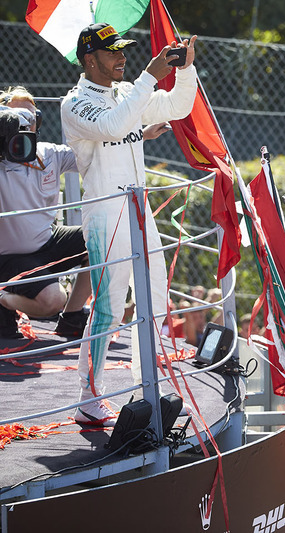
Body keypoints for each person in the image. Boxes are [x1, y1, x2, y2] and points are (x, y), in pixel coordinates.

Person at [60, 23, 198, 425]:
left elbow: (178, 106)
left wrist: (185, 69)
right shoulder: (74, 103)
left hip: (137, 206)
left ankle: (148, 384)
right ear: (90, 60)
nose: (121, 57)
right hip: (104, 210)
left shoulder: (126, 93)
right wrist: (149, 76)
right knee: (109, 304)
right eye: (112, 52)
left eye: (123, 50)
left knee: (155, 293)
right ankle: (89, 395)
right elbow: (113, 126)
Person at [0, 87, 92, 339]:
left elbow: (96, 154)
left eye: (30, 117)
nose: (24, 124)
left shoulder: (49, 154)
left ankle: (72, 318)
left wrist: (140, 133)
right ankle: (5, 299)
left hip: (47, 240)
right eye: (15, 118)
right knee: (52, 300)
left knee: (104, 237)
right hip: (11, 258)